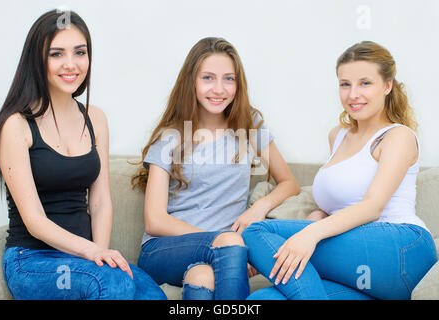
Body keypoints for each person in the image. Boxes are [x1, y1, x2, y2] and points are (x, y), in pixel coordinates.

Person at [0, 10, 166, 300]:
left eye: (80, 52)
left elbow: (100, 202)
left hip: (85, 256)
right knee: (113, 284)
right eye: (57, 54)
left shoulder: (95, 118)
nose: (70, 64)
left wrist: (100, 255)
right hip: (33, 260)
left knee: (150, 294)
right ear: (38, 60)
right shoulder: (17, 125)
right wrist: (93, 253)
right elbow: (34, 220)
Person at [242, 41, 438, 300]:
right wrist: (317, 216)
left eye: (365, 83)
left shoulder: (397, 136)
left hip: (401, 249)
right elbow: (341, 199)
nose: (353, 94)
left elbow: (372, 207)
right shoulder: (337, 136)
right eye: (345, 84)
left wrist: (308, 234)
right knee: (263, 299)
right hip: (362, 273)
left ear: (387, 86)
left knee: (256, 232)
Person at [132, 37, 300, 300]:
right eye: (208, 78)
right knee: (230, 243)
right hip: (164, 250)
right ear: (192, 82)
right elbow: (155, 220)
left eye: (229, 79)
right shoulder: (171, 136)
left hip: (221, 254)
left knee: (203, 277)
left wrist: (258, 208)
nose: (219, 89)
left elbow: (289, 183)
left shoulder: (250, 125)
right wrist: (222, 242)